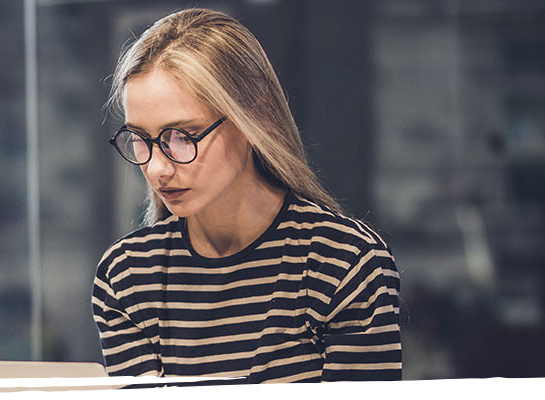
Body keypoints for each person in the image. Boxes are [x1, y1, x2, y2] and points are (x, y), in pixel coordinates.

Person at [91, 8, 402, 383]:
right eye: (141, 139)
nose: (157, 168)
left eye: (183, 136)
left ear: (253, 120)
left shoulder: (342, 262)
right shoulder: (128, 275)